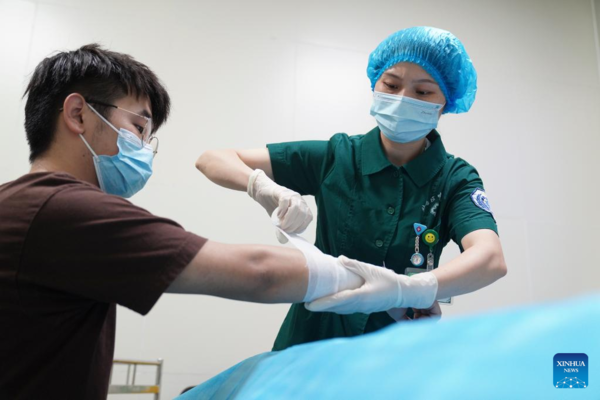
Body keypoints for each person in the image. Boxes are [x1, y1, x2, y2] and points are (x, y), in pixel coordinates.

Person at [0, 44, 392, 399]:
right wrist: (398, 288)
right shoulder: (63, 209)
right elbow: (259, 272)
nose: (146, 152)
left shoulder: (19, 202)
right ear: (77, 114)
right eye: (139, 127)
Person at [196, 26, 508, 351]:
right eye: (391, 84)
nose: (402, 99)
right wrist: (263, 187)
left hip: (397, 347)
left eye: (423, 92)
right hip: (313, 339)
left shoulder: (454, 178)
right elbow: (212, 159)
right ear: (375, 85)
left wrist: (413, 290)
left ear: (445, 103)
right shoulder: (338, 156)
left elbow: (490, 258)